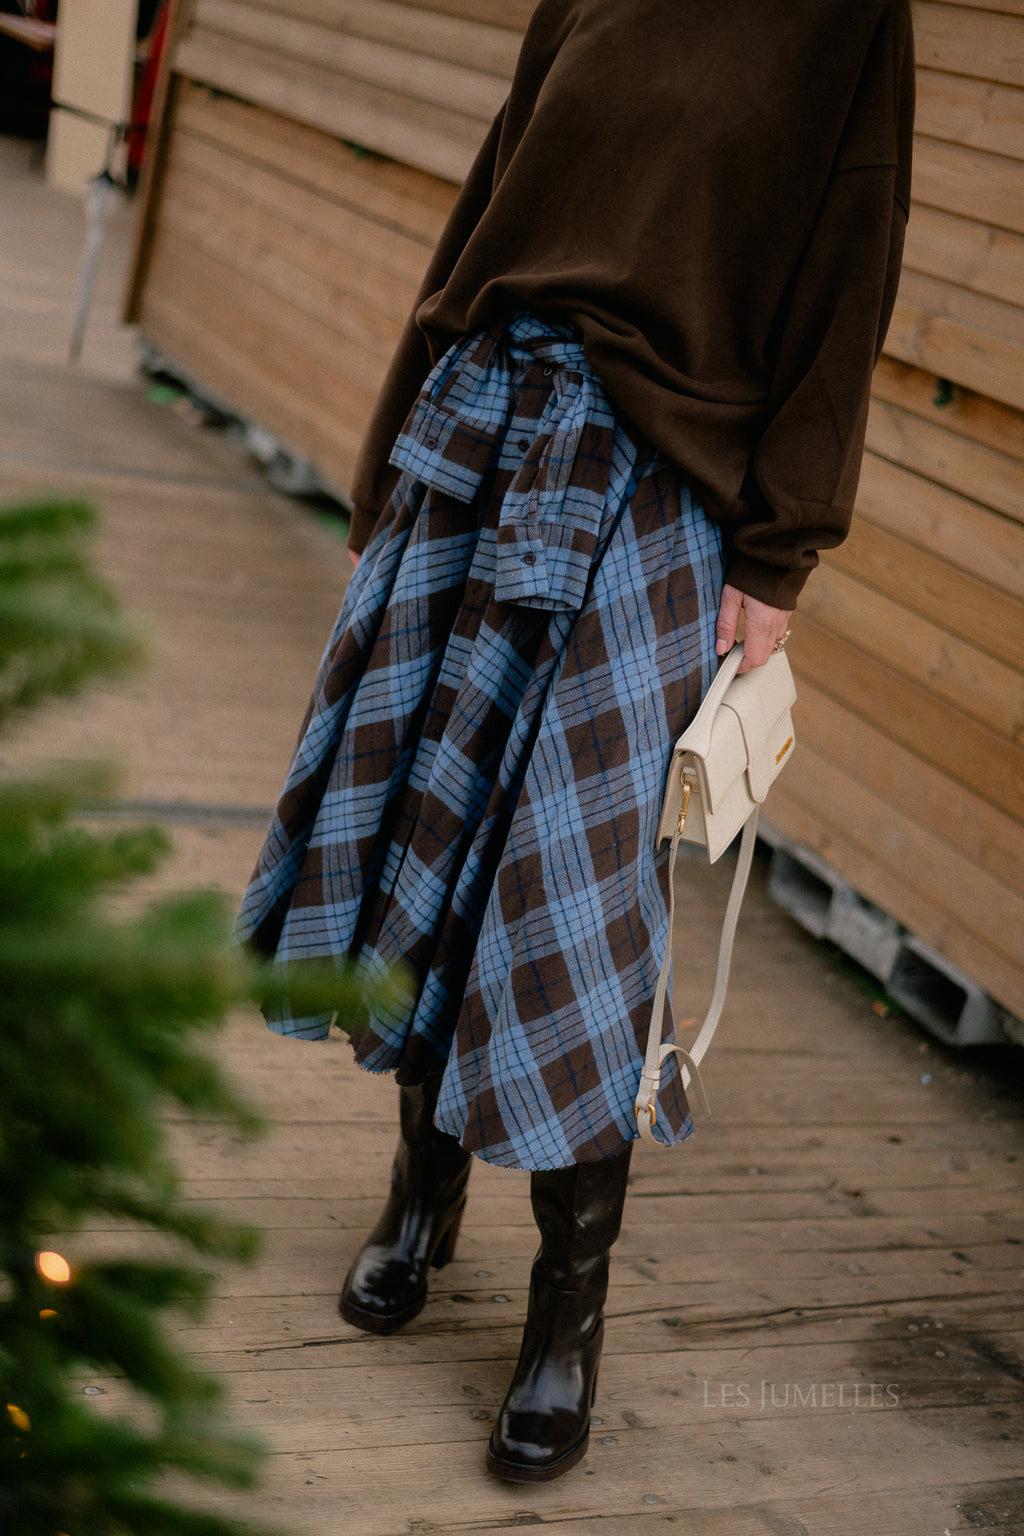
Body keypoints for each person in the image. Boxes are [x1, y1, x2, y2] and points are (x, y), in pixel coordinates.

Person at [235, 0, 915, 1484]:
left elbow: (847, 283)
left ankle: (568, 1307)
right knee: (427, 827)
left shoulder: (849, 20)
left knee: (572, 892)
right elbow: (491, 197)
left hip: (655, 486)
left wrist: (780, 555)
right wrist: (389, 450)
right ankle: (420, 1196)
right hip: (485, 418)